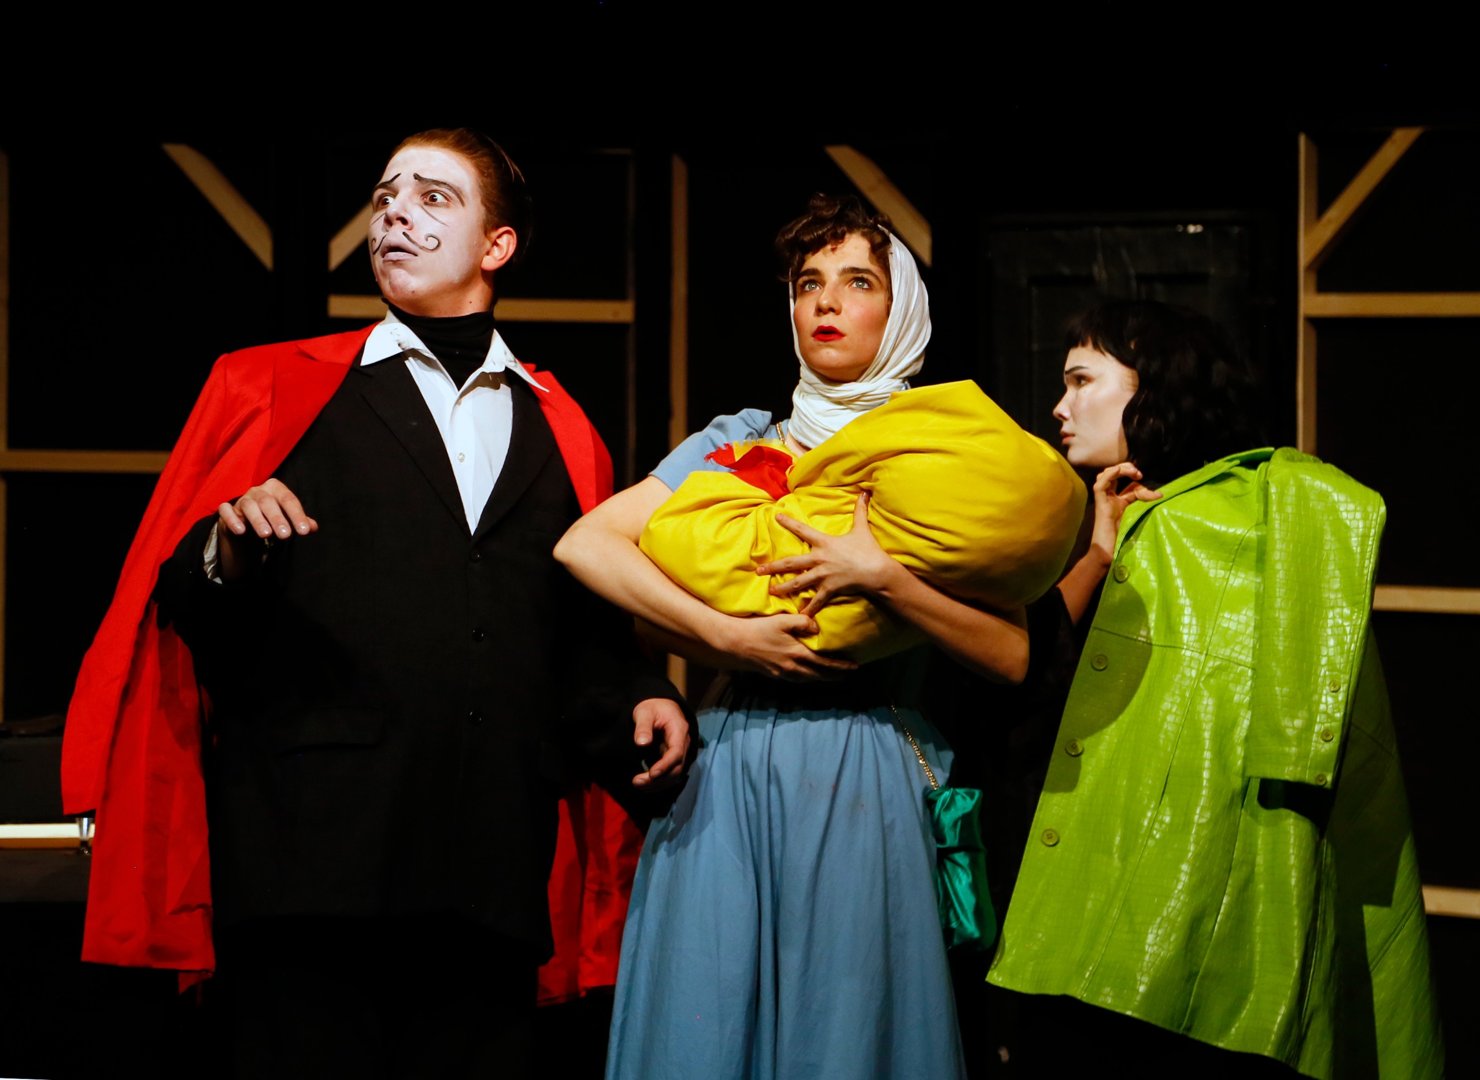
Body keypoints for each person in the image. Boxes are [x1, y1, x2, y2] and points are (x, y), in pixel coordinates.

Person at [61, 128, 689, 1077]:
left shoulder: (561, 425)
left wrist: (641, 694)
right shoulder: (275, 386)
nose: (394, 212)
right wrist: (228, 548)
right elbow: (179, 604)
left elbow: (572, 637)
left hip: (489, 878)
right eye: (387, 194)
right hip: (312, 868)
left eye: (434, 197)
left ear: (498, 245)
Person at [556, 195, 1071, 1080]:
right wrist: (727, 636)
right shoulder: (742, 439)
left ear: (900, 311)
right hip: (726, 764)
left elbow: (1013, 655)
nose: (827, 301)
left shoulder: (945, 461)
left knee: (845, 1028)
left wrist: (885, 579)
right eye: (808, 283)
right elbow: (586, 544)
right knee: (707, 1018)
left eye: (858, 282)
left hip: (867, 760)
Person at [984, 300, 1443, 1077]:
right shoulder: (1090, 527)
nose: (1059, 406)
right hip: (1083, 902)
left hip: (1177, 922)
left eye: (1082, 380)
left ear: (1153, 383)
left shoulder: (1242, 527)